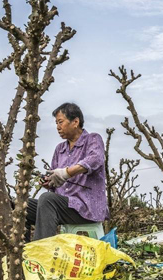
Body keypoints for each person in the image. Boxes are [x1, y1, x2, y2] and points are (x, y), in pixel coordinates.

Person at [25, 102, 109, 241]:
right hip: (65, 206)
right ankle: (22, 254)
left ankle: (42, 253)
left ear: (75, 121)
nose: (58, 127)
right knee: (23, 205)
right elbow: (55, 182)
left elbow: (95, 160)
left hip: (86, 208)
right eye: (56, 123)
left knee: (47, 199)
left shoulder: (93, 139)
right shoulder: (60, 149)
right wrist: (49, 182)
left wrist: (66, 173)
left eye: (60, 122)